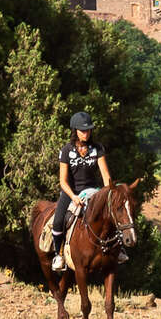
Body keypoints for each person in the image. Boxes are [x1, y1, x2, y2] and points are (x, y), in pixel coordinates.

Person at [52, 112, 112, 273]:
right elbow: (63, 181)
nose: (86, 133)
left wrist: (107, 193)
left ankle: (119, 252)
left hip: (93, 191)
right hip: (71, 192)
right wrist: (73, 197)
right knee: (58, 221)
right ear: (75, 131)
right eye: (82, 130)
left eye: (88, 130)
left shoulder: (97, 149)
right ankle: (59, 255)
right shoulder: (66, 150)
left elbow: (105, 175)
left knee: (112, 216)